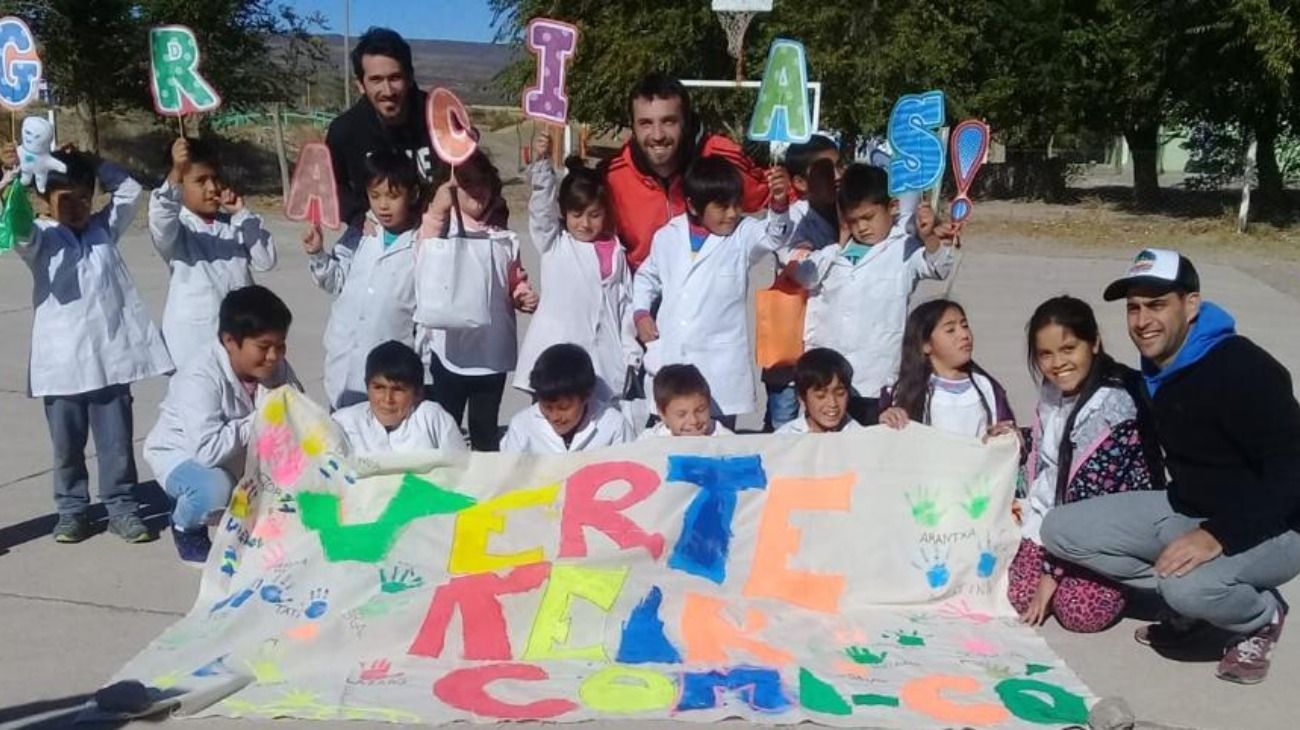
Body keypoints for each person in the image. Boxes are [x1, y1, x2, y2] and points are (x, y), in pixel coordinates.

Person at [1042, 249, 1300, 684]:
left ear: (1191, 305)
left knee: (1186, 586)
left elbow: (1292, 473)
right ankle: (1197, 598)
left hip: (1278, 526)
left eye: (1157, 304)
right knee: (1059, 529)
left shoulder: (1244, 370)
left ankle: (1259, 615)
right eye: (1134, 308)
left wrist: (1218, 535)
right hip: (1189, 508)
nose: (1142, 320)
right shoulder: (1160, 366)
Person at [7, 146, 172, 544]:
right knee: (67, 448)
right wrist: (19, 181)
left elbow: (130, 191)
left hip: (111, 361)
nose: (78, 206)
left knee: (116, 445)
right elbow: (18, 226)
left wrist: (94, 162)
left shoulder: (103, 230)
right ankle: (72, 510)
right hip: (62, 368)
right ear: (45, 201)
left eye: (84, 196)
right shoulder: (41, 240)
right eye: (65, 199)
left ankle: (122, 508)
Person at [1011, 296, 1164, 632]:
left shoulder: (1113, 407)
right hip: (1054, 519)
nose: (1057, 363)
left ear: (1093, 342)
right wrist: (1015, 437)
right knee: (1021, 595)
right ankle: (1070, 574)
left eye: (1069, 349)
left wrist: (1051, 577)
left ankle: (1125, 582)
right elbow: (1049, 449)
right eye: (1045, 354)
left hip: (1103, 531)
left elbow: (1087, 502)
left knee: (1079, 613)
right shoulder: (1054, 392)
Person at [632, 156, 792, 427]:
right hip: (672, 358)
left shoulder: (742, 235)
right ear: (693, 206)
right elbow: (647, 277)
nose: (732, 214)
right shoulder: (667, 237)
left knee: (717, 446)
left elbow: (775, 235)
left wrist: (778, 202)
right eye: (722, 207)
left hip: (719, 371)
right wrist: (641, 313)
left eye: (736, 205)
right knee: (664, 444)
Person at [144, 286, 300, 564]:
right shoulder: (199, 376)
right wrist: (263, 416)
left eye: (281, 346)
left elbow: (296, 409)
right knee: (215, 491)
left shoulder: (274, 365)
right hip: (186, 456)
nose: (274, 356)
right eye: (264, 347)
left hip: (236, 454)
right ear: (230, 341)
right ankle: (185, 524)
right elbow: (208, 451)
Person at [790, 164, 954, 425]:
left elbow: (939, 267)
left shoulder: (904, 249)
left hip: (875, 379)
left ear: (892, 207)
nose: (862, 227)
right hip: (827, 375)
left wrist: (930, 237)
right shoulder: (834, 252)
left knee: (868, 448)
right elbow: (803, 276)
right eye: (853, 220)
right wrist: (838, 244)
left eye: (869, 217)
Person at [418, 150, 537, 451]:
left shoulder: (505, 238)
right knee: (446, 428)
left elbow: (513, 278)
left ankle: (483, 487)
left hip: (491, 357)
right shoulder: (443, 231)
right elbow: (423, 252)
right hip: (450, 355)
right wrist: (436, 210)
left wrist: (521, 294)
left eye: (482, 181)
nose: (477, 189)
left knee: (484, 430)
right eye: (465, 182)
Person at [513, 131, 639, 402]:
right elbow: (540, 213)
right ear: (564, 213)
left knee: (598, 429)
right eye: (577, 214)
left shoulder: (616, 250)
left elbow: (625, 305)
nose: (585, 223)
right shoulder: (555, 244)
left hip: (604, 358)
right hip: (556, 354)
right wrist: (543, 166)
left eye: (594, 215)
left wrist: (631, 352)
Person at [603, 73, 770, 268]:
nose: (657, 135)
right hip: (643, 291)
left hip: (708, 289)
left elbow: (776, 197)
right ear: (633, 126)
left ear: (686, 122)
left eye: (668, 121)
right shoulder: (612, 176)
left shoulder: (720, 158)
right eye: (646, 123)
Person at [304, 150, 421, 411]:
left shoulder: (421, 246)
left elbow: (424, 323)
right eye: (375, 196)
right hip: (342, 364)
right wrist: (317, 254)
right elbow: (335, 282)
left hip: (387, 377)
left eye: (393, 196)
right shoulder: (361, 234)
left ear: (412, 194)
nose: (383, 206)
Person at [150, 137, 276, 369]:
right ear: (180, 185)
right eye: (200, 181)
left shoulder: (233, 224)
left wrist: (242, 215)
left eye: (215, 178)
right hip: (195, 341)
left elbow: (265, 260)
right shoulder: (177, 231)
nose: (212, 188)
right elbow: (161, 215)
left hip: (241, 337)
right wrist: (176, 171)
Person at [326, 27, 448, 227]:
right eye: (376, 80)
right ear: (360, 84)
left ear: (409, 77)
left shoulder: (440, 117)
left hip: (440, 235)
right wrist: (357, 216)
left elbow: (477, 177)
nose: (387, 90)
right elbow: (331, 186)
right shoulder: (345, 131)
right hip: (377, 239)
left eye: (395, 78)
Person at [764, 136, 843, 432]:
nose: (837, 176)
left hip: (832, 338)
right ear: (799, 182)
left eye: (839, 166)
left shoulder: (847, 211)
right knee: (784, 426)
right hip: (790, 343)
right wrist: (841, 244)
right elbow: (803, 271)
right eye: (825, 170)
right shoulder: (791, 221)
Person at [878, 299, 1016, 440]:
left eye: (965, 326)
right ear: (925, 344)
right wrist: (886, 420)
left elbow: (1010, 442)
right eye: (950, 330)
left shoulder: (987, 388)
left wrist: (1006, 436)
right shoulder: (901, 392)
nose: (964, 335)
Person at [332, 341, 466, 454]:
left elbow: (462, 469)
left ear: (418, 393)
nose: (387, 399)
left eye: (398, 390)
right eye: (379, 388)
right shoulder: (343, 423)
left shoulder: (433, 418)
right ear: (367, 387)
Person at [500, 344, 633, 454]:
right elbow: (509, 476)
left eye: (563, 408)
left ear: (586, 396)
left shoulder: (613, 425)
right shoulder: (521, 427)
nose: (555, 417)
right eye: (547, 407)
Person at [776, 348, 865, 434]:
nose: (832, 403)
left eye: (840, 394)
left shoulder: (860, 436)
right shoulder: (785, 438)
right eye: (821, 396)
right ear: (802, 398)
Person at [640, 364, 734, 439]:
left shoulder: (724, 438)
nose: (694, 421)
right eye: (682, 414)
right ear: (662, 414)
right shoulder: (649, 440)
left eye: (700, 410)